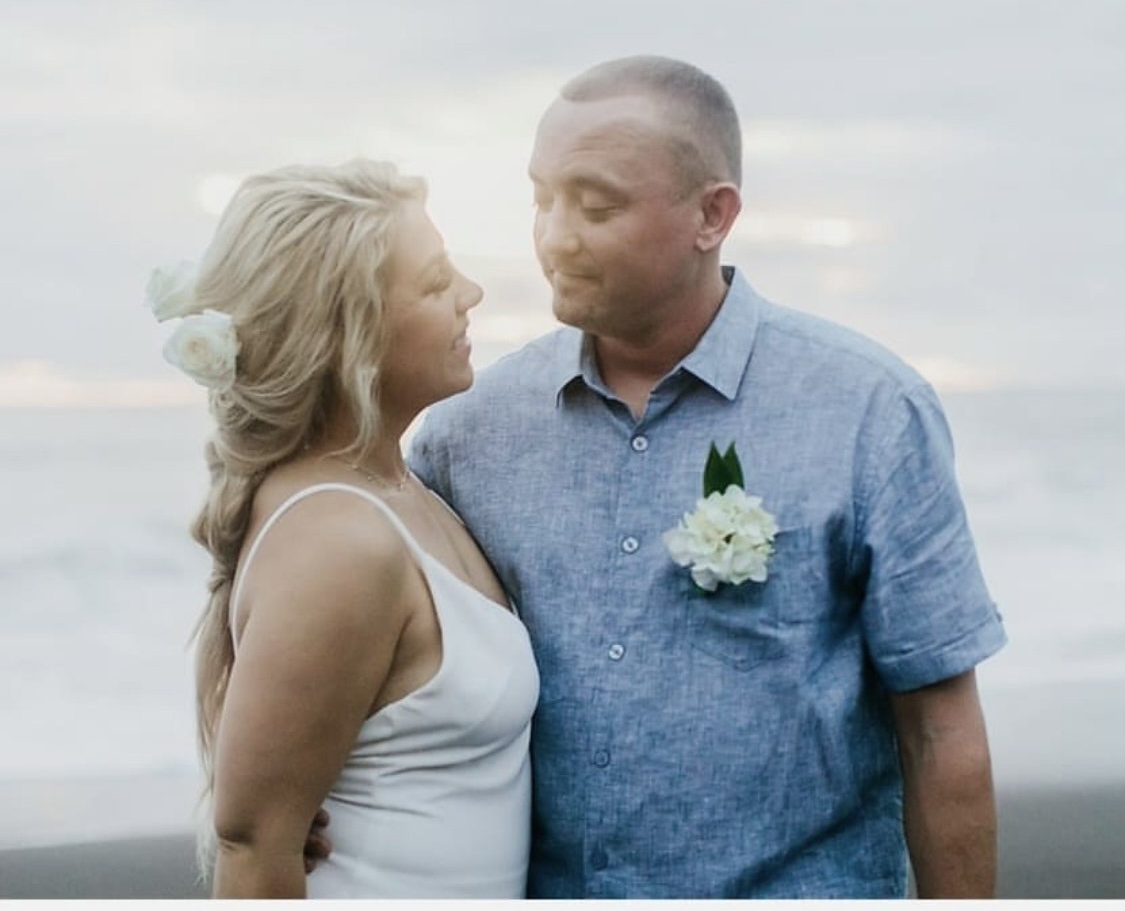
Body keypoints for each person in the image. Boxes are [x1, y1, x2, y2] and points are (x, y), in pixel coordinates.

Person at [399, 56, 1007, 898]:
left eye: (597, 204)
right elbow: (373, 642)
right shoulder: (467, 434)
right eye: (541, 198)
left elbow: (939, 731)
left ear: (711, 215)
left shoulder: (869, 409)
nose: (554, 236)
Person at [149, 159, 539, 898]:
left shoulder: (403, 489)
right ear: (348, 334)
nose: (471, 295)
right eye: (433, 284)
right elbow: (253, 851)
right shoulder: (340, 542)